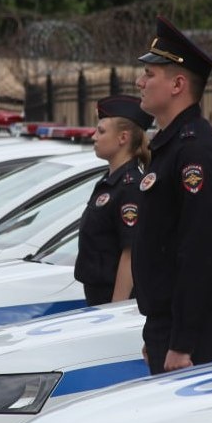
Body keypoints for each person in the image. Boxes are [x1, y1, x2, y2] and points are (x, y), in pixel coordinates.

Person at [132, 16, 212, 375]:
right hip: (172, 322)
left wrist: (182, 342)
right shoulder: (173, 144)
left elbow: (199, 249)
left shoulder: (195, 150)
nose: (139, 82)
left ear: (178, 84)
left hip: (197, 329)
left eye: (149, 75)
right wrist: (159, 330)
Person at [74, 94, 152, 306]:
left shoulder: (130, 187)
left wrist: (115, 309)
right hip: (98, 297)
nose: (94, 137)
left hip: (111, 300)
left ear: (123, 138)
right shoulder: (111, 180)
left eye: (101, 131)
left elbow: (130, 253)